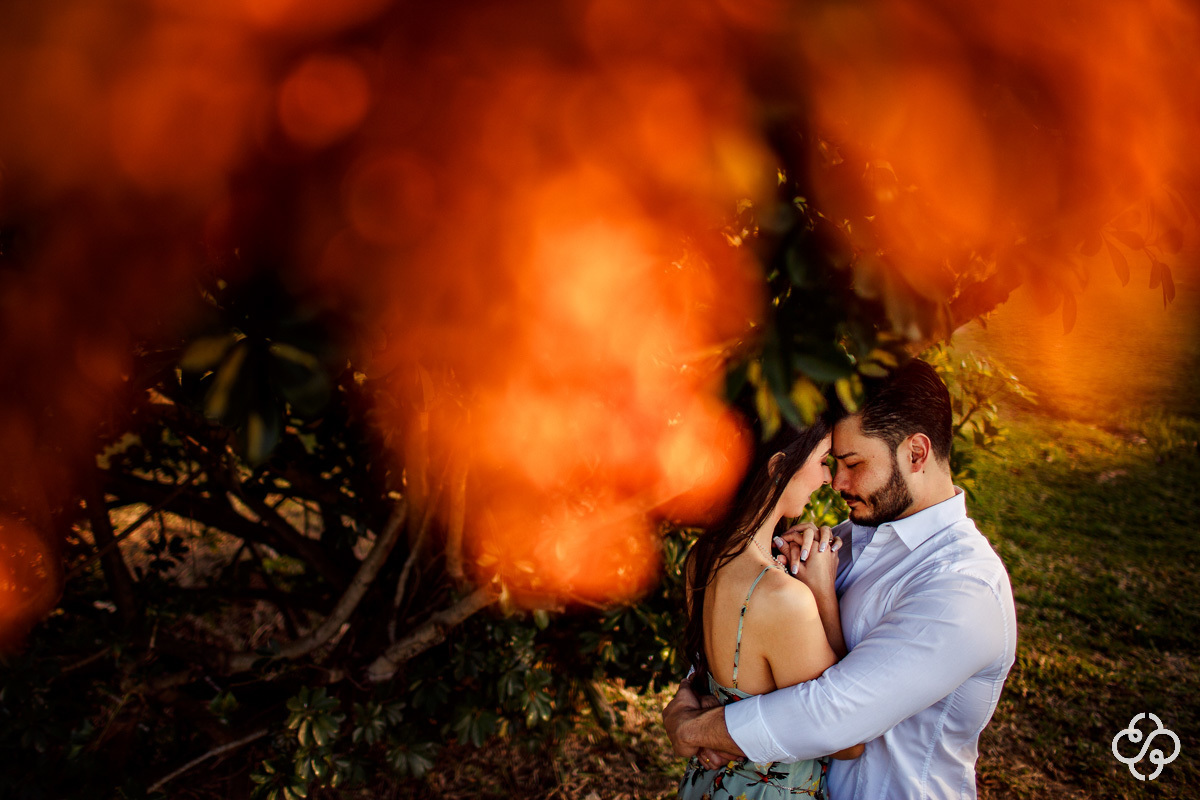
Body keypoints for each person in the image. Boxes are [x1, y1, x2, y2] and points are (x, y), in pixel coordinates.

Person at [664, 359, 1018, 800]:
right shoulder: (841, 544)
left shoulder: (963, 589)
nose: (837, 481)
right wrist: (698, 689)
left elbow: (833, 714)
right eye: (832, 461)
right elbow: (745, 633)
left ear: (916, 453)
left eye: (852, 463)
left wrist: (696, 728)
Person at [678, 414, 864, 800]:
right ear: (779, 468)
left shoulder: (703, 555)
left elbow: (707, 681)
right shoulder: (783, 601)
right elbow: (847, 741)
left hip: (707, 786)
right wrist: (824, 594)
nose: (828, 478)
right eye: (822, 461)